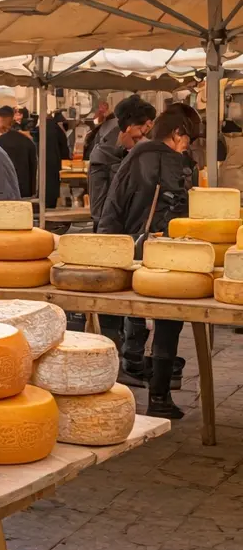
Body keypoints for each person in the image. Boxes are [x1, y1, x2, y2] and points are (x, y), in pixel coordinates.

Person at [98, 104, 201, 419]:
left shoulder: (134, 156)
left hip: (127, 251)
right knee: (169, 322)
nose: (187, 147)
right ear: (178, 134)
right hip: (165, 257)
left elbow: (113, 207)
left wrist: (106, 251)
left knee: (119, 319)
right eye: (188, 140)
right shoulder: (175, 163)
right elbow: (182, 218)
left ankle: (107, 388)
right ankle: (159, 397)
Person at [88, 95, 157, 225]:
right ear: (127, 127)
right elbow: (98, 210)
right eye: (140, 132)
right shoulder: (102, 157)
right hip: (110, 230)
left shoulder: (137, 151)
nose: (142, 139)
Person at [0, 106, 37, 201]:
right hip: (24, 190)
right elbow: (33, 167)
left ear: (1, 120)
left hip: (4, 190)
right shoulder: (27, 141)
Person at [35, 112, 71, 208]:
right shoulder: (57, 129)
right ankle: (50, 204)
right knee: (52, 184)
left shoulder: (39, 129)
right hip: (54, 162)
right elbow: (64, 148)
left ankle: (42, 204)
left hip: (41, 160)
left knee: (42, 183)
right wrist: (66, 161)